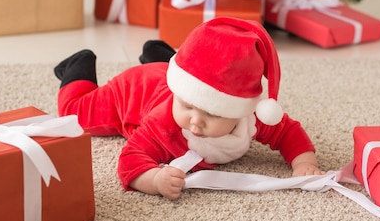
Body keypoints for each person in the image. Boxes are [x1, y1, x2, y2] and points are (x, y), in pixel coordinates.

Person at [53, 16, 323, 200]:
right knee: (76, 115)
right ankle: (78, 65)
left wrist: (305, 163)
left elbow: (287, 131)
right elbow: (130, 160)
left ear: (240, 111)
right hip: (135, 89)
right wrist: (155, 180)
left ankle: (159, 55)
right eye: (188, 108)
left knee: (194, 81)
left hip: (169, 77)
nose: (195, 122)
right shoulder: (163, 123)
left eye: (212, 114)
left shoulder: (252, 116)